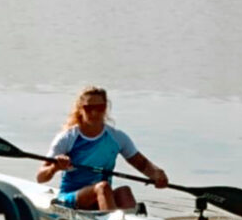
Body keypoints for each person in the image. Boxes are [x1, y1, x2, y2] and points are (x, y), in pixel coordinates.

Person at [36, 86, 168, 211]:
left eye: (100, 108)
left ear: (106, 108)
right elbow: (40, 177)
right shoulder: (67, 138)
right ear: (80, 109)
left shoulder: (117, 137)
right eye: (89, 108)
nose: (94, 113)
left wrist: (157, 173)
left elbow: (142, 164)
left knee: (124, 192)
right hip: (71, 198)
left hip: (102, 197)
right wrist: (55, 167)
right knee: (103, 187)